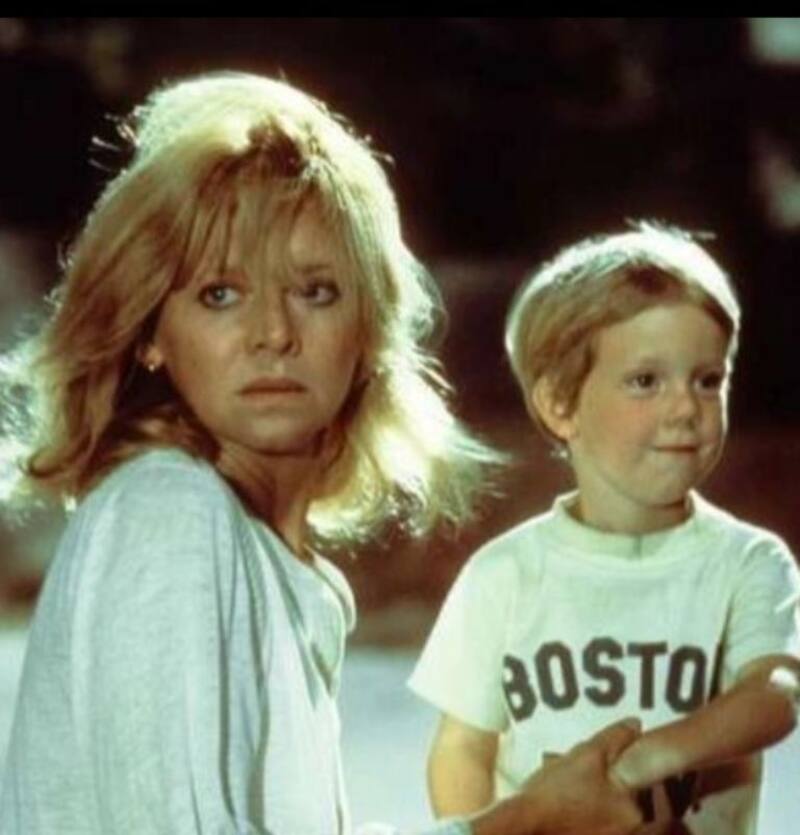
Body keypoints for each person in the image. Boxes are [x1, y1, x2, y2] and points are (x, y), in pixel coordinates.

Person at [0, 72, 643, 835]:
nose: (274, 332)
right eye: (220, 293)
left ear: (367, 328)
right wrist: (524, 823)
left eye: (315, 291)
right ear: (148, 334)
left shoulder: (278, 567)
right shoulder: (166, 511)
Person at [409, 223, 800, 834]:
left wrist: (639, 764)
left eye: (707, 380)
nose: (685, 407)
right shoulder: (504, 574)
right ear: (560, 404)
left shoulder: (748, 561)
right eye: (646, 381)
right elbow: (463, 749)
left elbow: (775, 694)